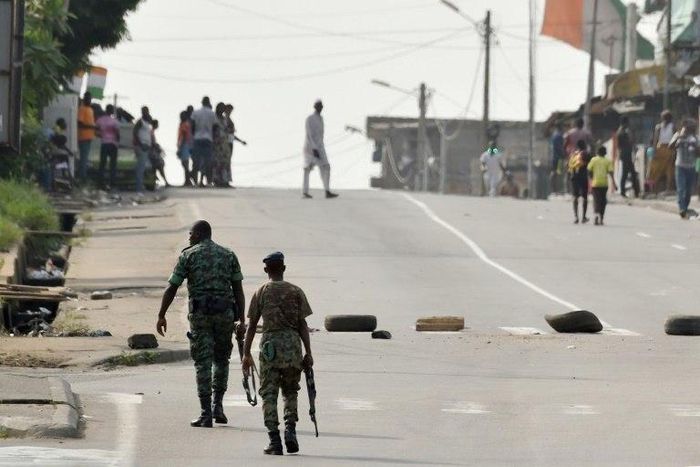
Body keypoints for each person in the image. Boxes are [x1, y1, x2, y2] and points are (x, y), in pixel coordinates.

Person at [156, 220, 246, 428]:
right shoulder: (228, 254)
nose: (189, 238)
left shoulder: (188, 255)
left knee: (202, 362)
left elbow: (172, 287)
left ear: (197, 234)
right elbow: (238, 289)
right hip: (225, 314)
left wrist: (161, 314)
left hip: (201, 315)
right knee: (222, 359)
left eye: (190, 234)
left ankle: (206, 413)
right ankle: (218, 407)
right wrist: (241, 319)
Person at [241, 252, 313, 456]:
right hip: (292, 346)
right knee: (291, 391)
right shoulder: (296, 291)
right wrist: (308, 353)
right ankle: (290, 430)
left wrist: (246, 354)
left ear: (266, 270)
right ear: (283, 268)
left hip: (270, 348)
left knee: (269, 393)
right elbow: (302, 324)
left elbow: (252, 326)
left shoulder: (261, 292)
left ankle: (274, 440)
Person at [303, 99, 338, 199]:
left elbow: (320, 136)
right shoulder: (310, 119)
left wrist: (319, 148)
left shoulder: (321, 118)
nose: (320, 108)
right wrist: (314, 148)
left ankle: (327, 191)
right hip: (310, 148)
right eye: (318, 106)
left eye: (321, 106)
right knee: (307, 169)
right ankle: (305, 192)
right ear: (315, 107)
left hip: (320, 148)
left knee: (326, 167)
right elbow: (309, 134)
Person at [669, 119, 698, 219]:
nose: (688, 130)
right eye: (686, 128)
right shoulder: (678, 135)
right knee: (681, 189)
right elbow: (670, 146)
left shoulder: (695, 138)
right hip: (680, 166)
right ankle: (682, 208)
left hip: (691, 167)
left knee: (688, 190)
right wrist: (678, 139)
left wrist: (695, 147)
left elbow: (699, 154)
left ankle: (685, 206)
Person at [587, 146, 617, 226]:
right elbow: (611, 173)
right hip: (604, 184)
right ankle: (601, 217)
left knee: (596, 200)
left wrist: (591, 179)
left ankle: (596, 215)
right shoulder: (608, 161)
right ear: (605, 153)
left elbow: (589, 170)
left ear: (597, 152)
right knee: (603, 201)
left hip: (595, 184)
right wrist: (614, 184)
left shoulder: (593, 160)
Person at [191, 97, 217, 186]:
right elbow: (215, 127)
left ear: (202, 103)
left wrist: (193, 135)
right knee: (208, 161)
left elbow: (192, 126)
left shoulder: (195, 113)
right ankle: (208, 182)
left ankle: (195, 182)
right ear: (209, 102)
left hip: (197, 138)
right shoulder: (212, 113)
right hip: (208, 139)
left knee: (196, 161)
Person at [649, 110, 676, 193]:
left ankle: (653, 189)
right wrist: (675, 150)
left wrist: (654, 151)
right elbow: (675, 139)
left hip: (659, 149)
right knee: (669, 169)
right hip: (669, 149)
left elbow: (655, 140)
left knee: (656, 170)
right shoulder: (673, 126)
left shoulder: (658, 127)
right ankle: (668, 188)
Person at [95, 104, 120, 190]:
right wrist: (117, 141)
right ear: (112, 111)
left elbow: (96, 131)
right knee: (112, 165)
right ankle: (112, 184)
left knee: (102, 164)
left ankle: (100, 183)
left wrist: (102, 135)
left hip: (104, 143)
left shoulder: (100, 120)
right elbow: (117, 133)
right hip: (113, 144)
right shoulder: (114, 121)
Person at [567, 140, 591, 224]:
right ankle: (583, 217)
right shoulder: (585, 153)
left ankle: (576, 217)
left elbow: (568, 166)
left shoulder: (573, 154)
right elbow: (590, 164)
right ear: (584, 145)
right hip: (583, 177)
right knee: (584, 197)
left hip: (574, 177)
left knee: (575, 197)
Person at [616, 116, 640, 198]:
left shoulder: (619, 131)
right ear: (626, 122)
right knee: (631, 173)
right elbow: (630, 141)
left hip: (623, 154)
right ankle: (635, 192)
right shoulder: (625, 131)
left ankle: (625, 191)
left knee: (626, 173)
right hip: (627, 154)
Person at [77, 92, 98, 183]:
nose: (89, 100)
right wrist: (93, 127)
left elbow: (90, 123)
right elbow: (80, 124)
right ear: (84, 99)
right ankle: (82, 178)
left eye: (90, 99)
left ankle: (83, 177)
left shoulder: (90, 109)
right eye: (87, 98)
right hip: (83, 137)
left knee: (85, 159)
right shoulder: (82, 109)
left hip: (89, 137)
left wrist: (94, 129)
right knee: (83, 159)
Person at [225, 104, 247, 187]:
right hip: (226, 142)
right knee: (226, 161)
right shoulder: (225, 120)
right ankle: (224, 179)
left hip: (230, 141)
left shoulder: (228, 120)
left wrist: (241, 141)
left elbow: (232, 135)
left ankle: (227, 179)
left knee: (228, 161)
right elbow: (228, 132)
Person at [133, 106, 153, 195]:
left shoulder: (147, 123)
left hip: (146, 146)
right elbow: (135, 132)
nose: (146, 113)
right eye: (144, 111)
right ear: (142, 112)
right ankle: (138, 189)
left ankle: (140, 187)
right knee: (140, 168)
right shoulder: (140, 122)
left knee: (144, 167)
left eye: (147, 111)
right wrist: (140, 144)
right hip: (141, 146)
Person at [212, 102, 232, 187]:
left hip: (224, 142)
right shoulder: (214, 118)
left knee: (225, 162)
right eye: (221, 108)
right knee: (217, 162)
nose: (222, 110)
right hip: (216, 142)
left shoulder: (224, 119)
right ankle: (217, 180)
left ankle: (225, 180)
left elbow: (229, 128)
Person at [149, 120, 170, 187]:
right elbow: (153, 143)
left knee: (155, 167)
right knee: (160, 165)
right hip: (152, 152)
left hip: (153, 152)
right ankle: (165, 182)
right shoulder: (151, 132)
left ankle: (153, 182)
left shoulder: (151, 132)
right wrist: (158, 148)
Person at [177, 111, 194, 187]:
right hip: (187, 145)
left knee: (185, 164)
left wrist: (180, 147)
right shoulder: (187, 124)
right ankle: (188, 179)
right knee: (185, 164)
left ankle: (188, 180)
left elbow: (183, 136)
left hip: (184, 145)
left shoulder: (184, 124)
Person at [549, 122, 565, 194]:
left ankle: (553, 189)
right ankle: (556, 189)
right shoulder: (559, 136)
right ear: (560, 127)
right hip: (559, 158)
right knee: (558, 172)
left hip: (554, 157)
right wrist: (563, 154)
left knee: (554, 172)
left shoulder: (554, 135)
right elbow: (559, 147)